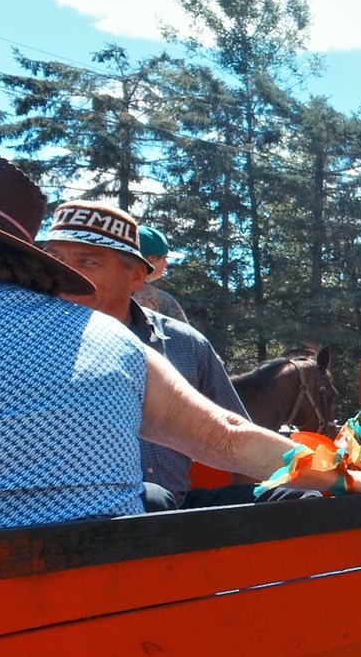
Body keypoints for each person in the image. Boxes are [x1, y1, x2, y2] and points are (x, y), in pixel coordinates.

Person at [0, 139, 361, 535]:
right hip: (109, 584)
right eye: (63, 257)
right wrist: (353, 478)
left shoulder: (170, 340)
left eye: (87, 259)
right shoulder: (112, 342)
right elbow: (226, 438)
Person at [44, 199, 306, 511]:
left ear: (137, 277)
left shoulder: (186, 344)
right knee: (151, 499)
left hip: (178, 510)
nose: (65, 274)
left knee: (299, 499)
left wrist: (343, 479)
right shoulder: (30, 340)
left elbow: (236, 441)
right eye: (55, 259)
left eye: (87, 262)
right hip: (86, 520)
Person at [132, 224, 189, 323]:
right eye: (165, 258)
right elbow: (187, 336)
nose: (166, 263)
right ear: (152, 258)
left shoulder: (104, 291)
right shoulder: (165, 301)